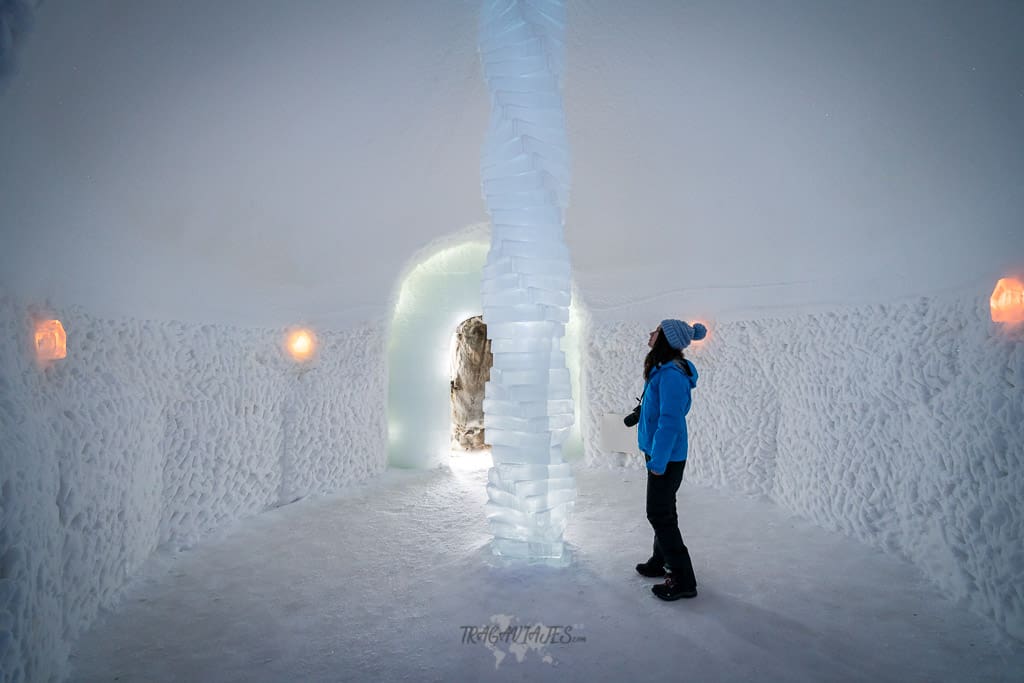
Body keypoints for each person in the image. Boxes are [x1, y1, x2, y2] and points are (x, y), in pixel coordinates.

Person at [634, 319, 706, 600]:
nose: (650, 333)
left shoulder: (672, 375)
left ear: (665, 338)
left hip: (667, 455)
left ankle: (683, 579)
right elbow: (656, 410)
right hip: (658, 451)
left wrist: (659, 462)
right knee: (664, 510)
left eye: (656, 330)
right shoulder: (661, 370)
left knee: (659, 514)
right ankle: (658, 561)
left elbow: (670, 421)